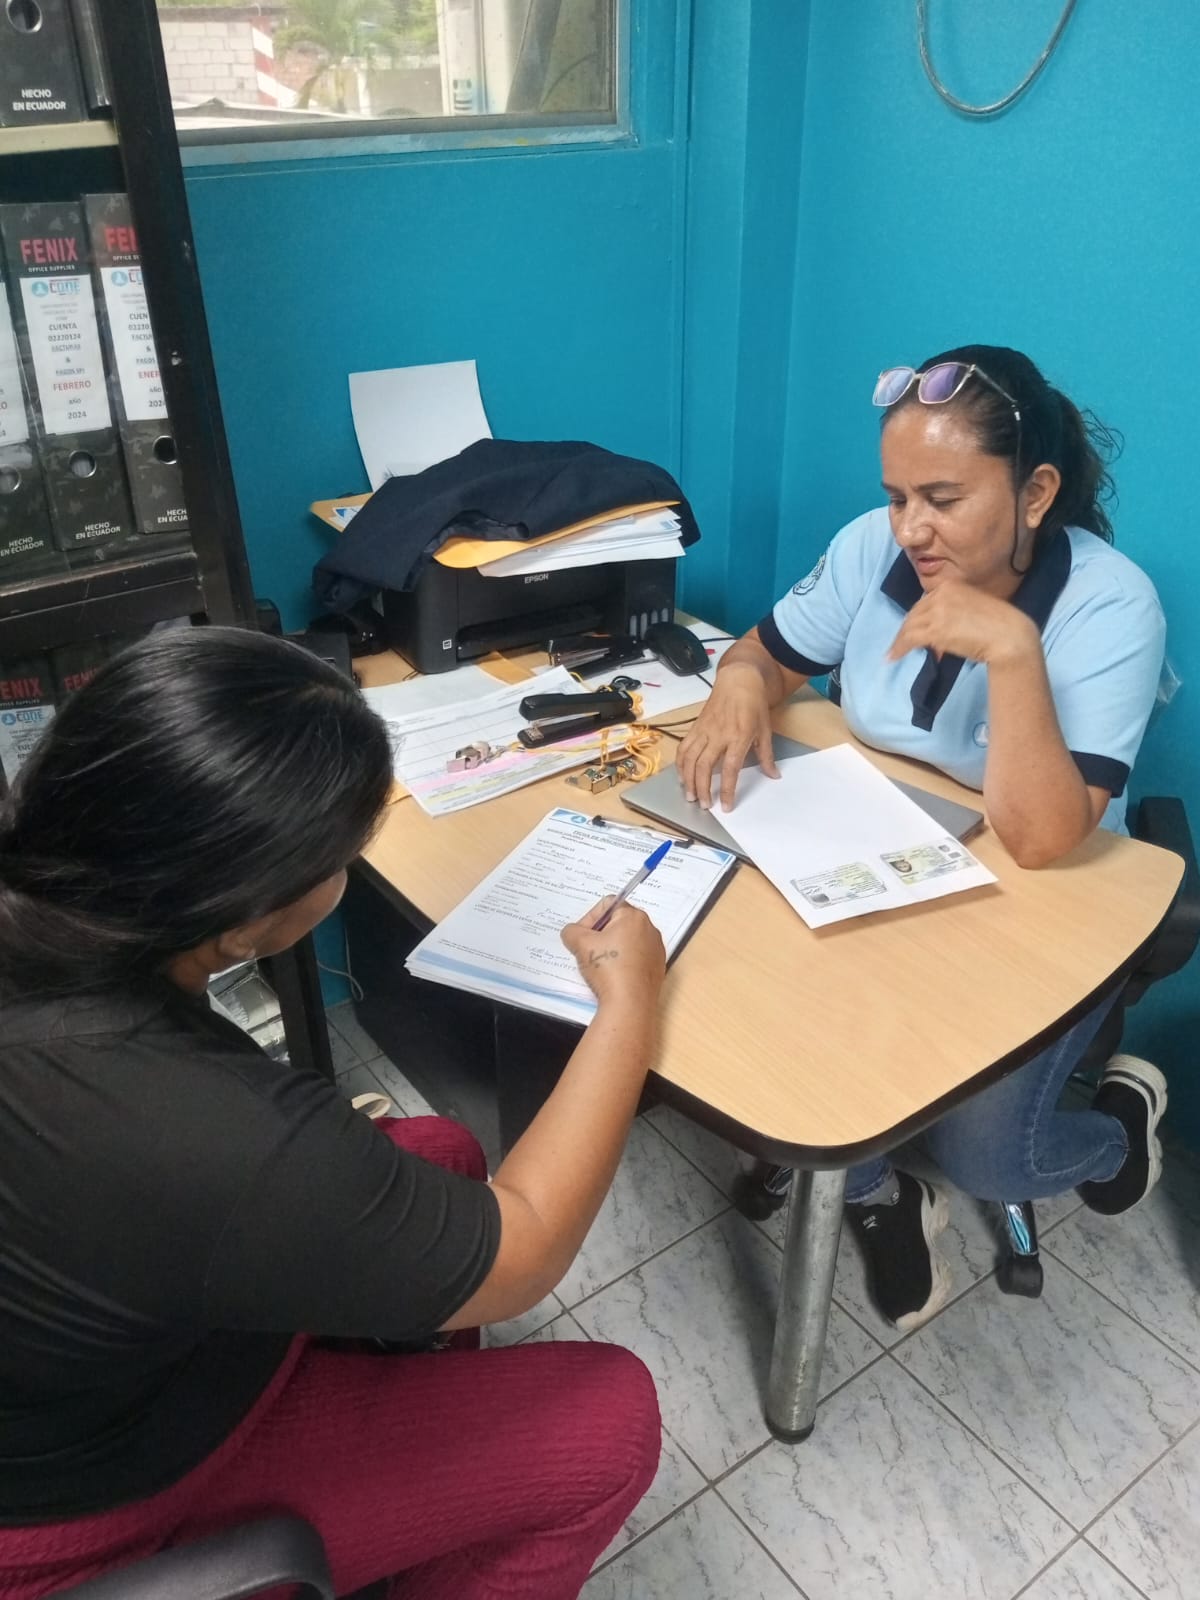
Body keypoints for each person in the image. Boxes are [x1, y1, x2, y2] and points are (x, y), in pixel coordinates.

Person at [0, 627, 667, 1600]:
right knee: (608, 1419)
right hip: (81, 1508)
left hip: (75, 1358)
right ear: (246, 921)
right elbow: (528, 1246)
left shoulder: (46, 890)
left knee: (441, 1149)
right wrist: (629, 1002)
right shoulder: (198, 1124)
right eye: (346, 854)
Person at [678, 345, 1169, 1332]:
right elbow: (767, 653)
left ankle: (1121, 1128)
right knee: (752, 1013)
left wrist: (1013, 649)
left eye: (942, 499)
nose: (910, 529)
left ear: (1036, 492)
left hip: (1048, 899)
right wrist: (738, 683)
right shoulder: (876, 549)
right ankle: (877, 1192)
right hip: (884, 855)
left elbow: (1042, 839)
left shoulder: (1112, 605)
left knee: (987, 1155)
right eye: (898, 497)